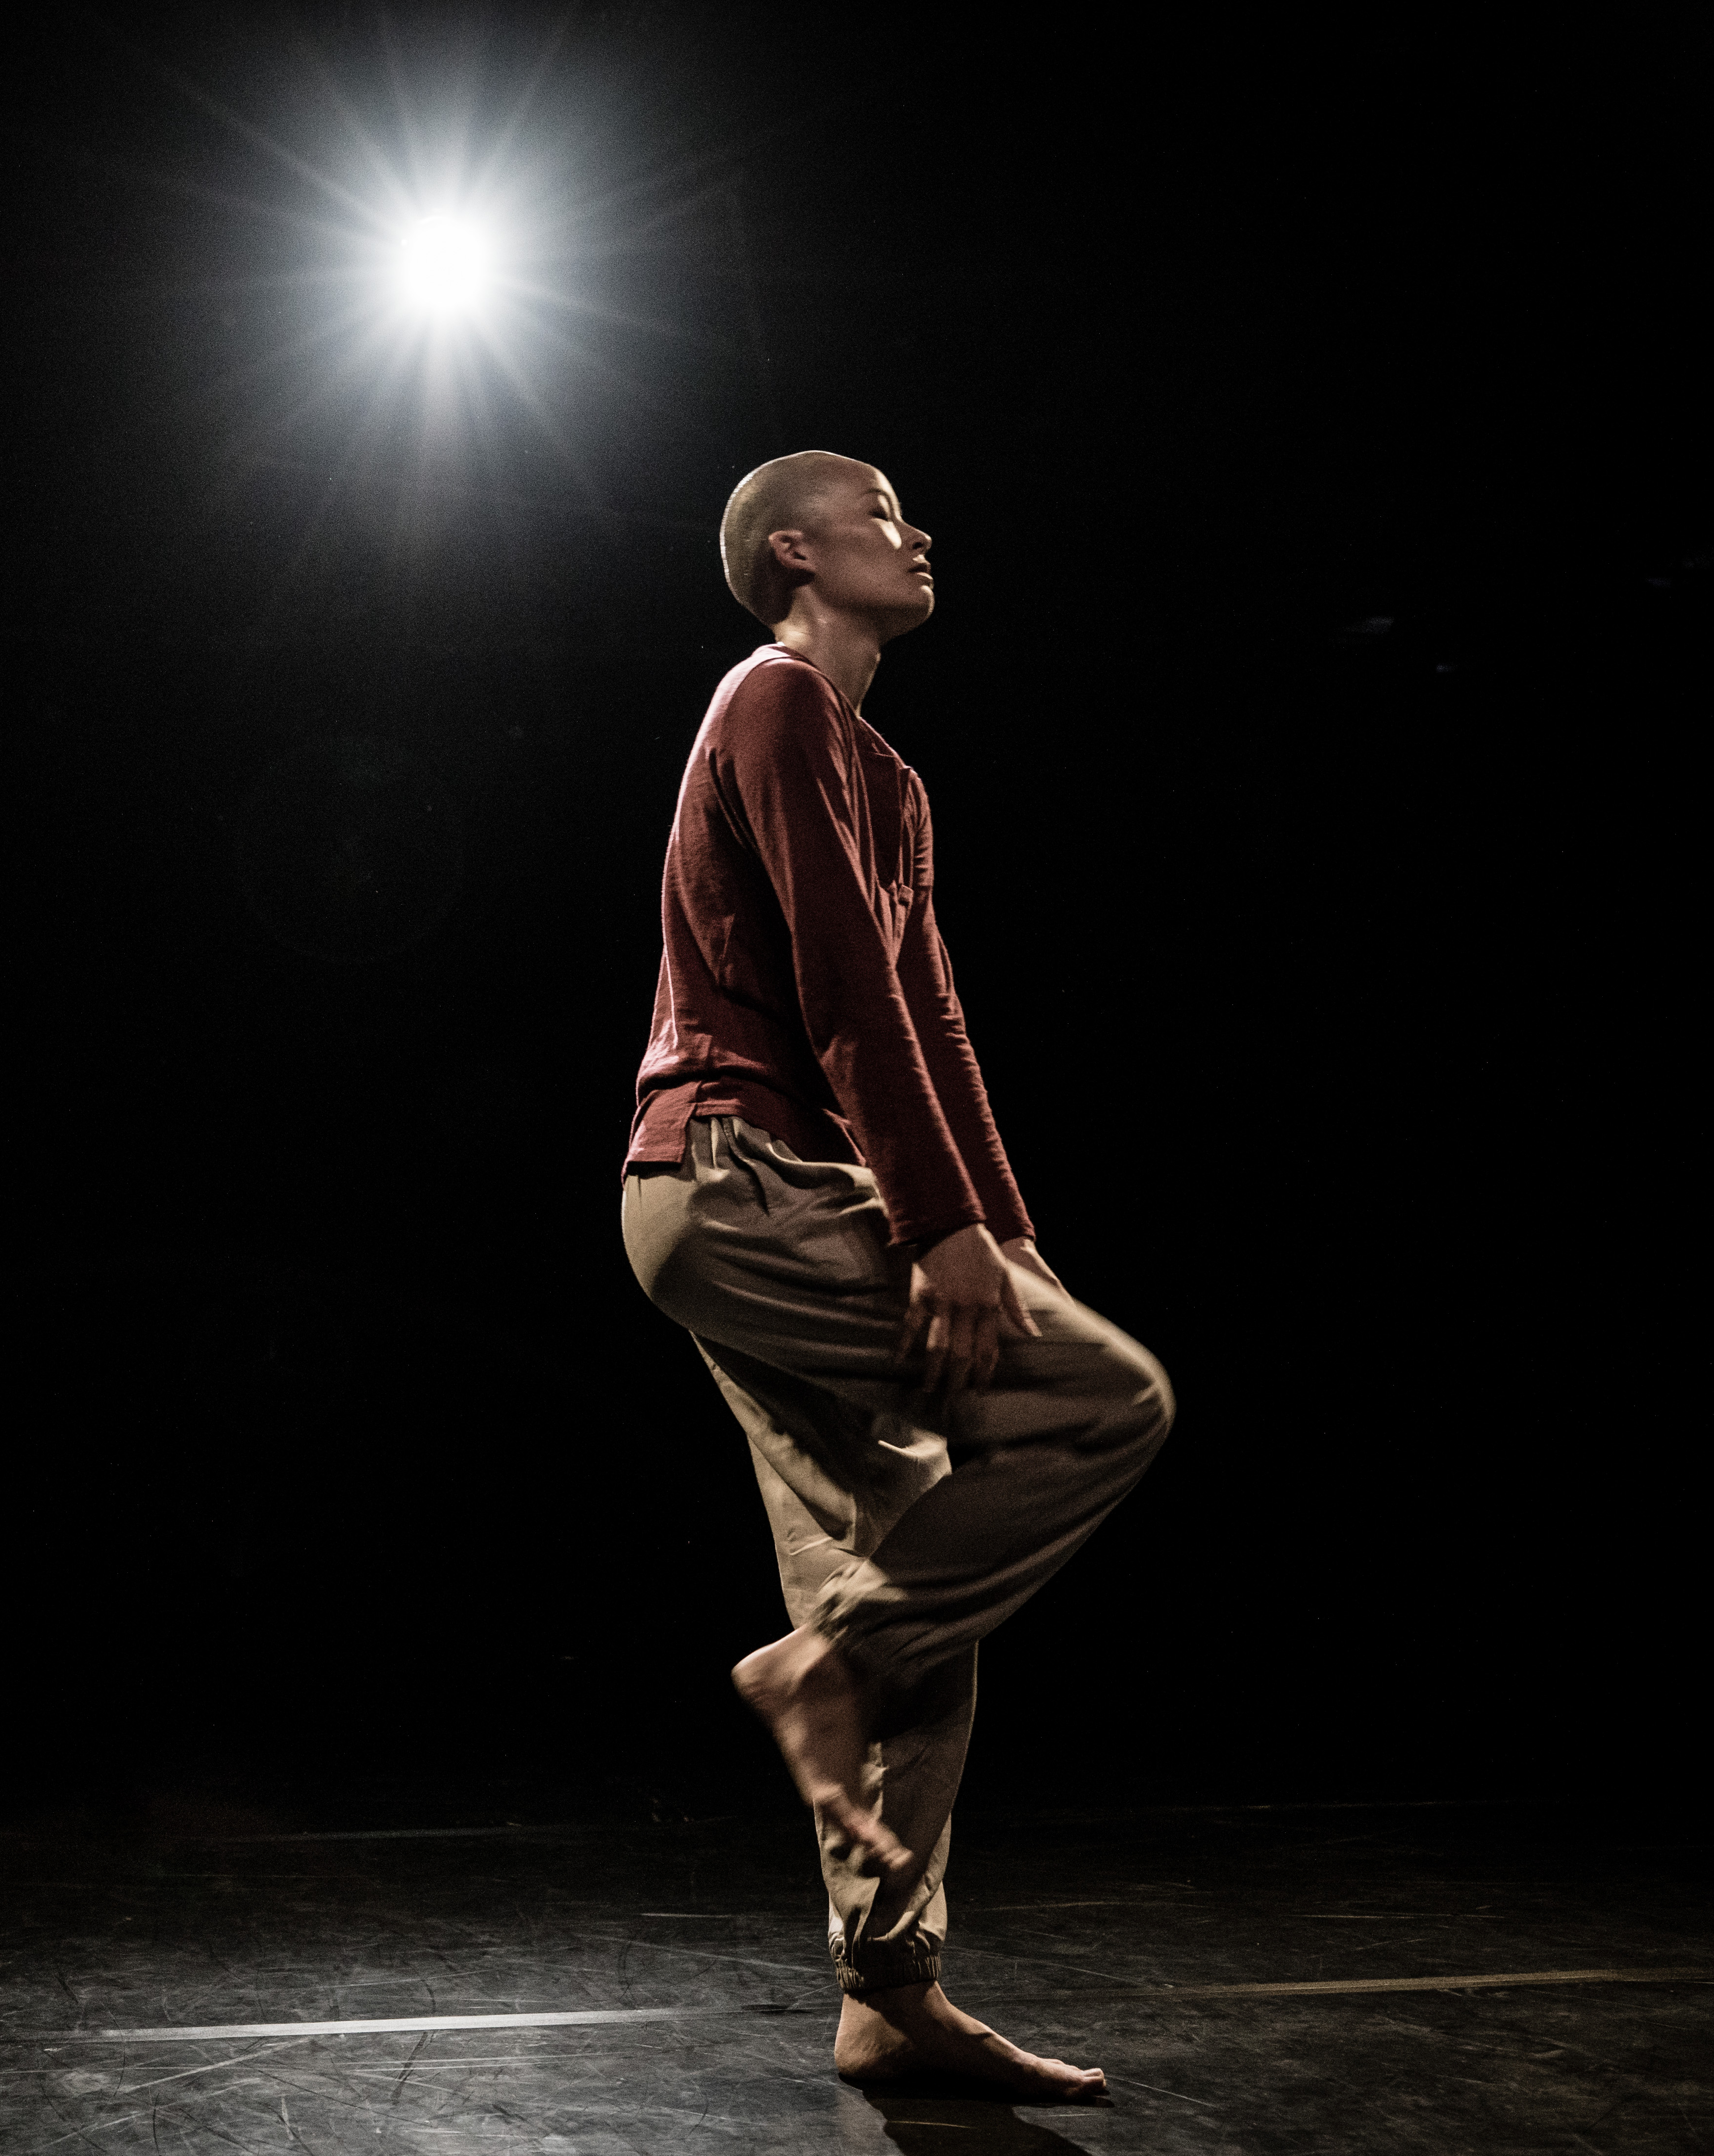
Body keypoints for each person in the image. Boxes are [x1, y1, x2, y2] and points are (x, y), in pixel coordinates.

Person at [619, 451, 1174, 2100]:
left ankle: (886, 1989)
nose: (915, 531)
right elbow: (840, 984)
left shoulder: (890, 778)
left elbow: (930, 1018)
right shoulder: (773, 695)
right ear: (794, 551)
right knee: (1108, 1403)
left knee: (915, 1566)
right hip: (745, 1174)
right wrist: (937, 1229)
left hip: (753, 1195)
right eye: (879, 512)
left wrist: (1000, 1235)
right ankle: (824, 1672)